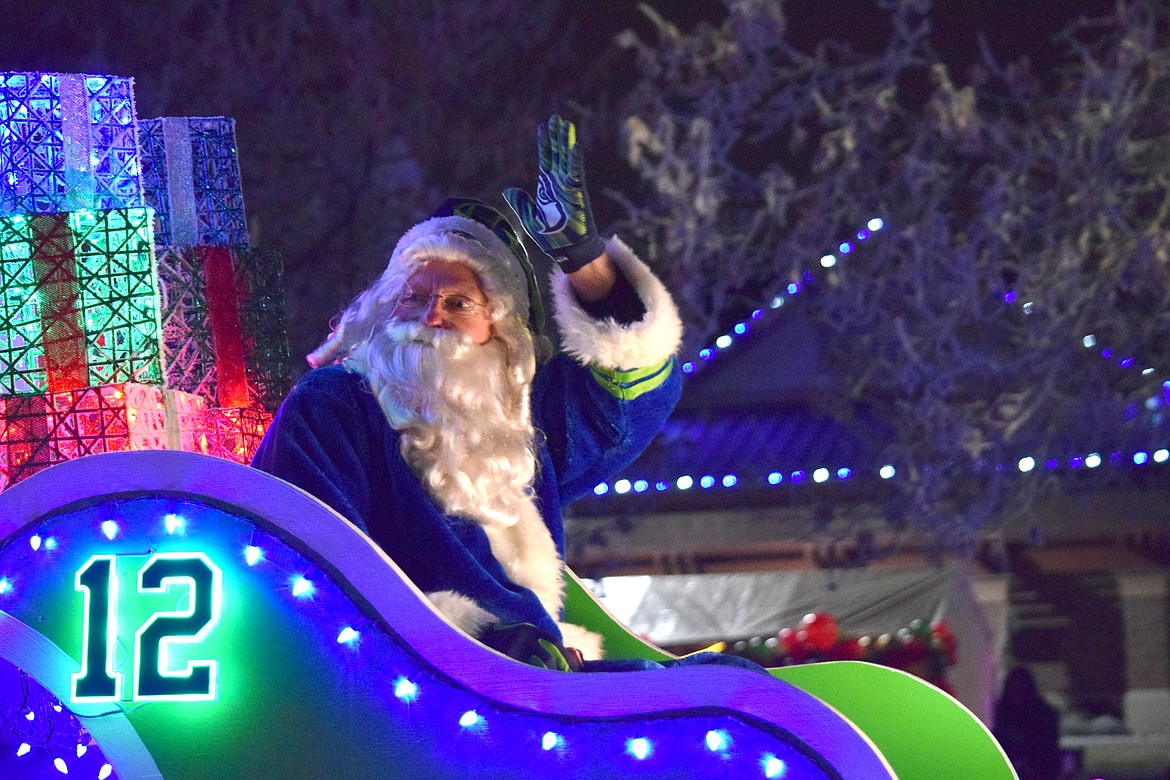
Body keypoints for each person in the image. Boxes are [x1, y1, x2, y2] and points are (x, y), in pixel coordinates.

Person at [252, 116, 687, 671]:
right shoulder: (335, 404)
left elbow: (630, 395)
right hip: (403, 680)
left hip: (535, 673)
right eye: (414, 297)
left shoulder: (523, 420)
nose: (432, 316)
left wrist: (586, 264)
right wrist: (461, 646)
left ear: (500, 331)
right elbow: (308, 567)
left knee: (725, 693)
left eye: (459, 303)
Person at [993, 666, 1062, 780]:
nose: (1016, 694)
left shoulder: (1043, 716)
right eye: (1013, 689)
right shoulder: (1004, 715)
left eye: (1020, 689)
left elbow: (1048, 754)